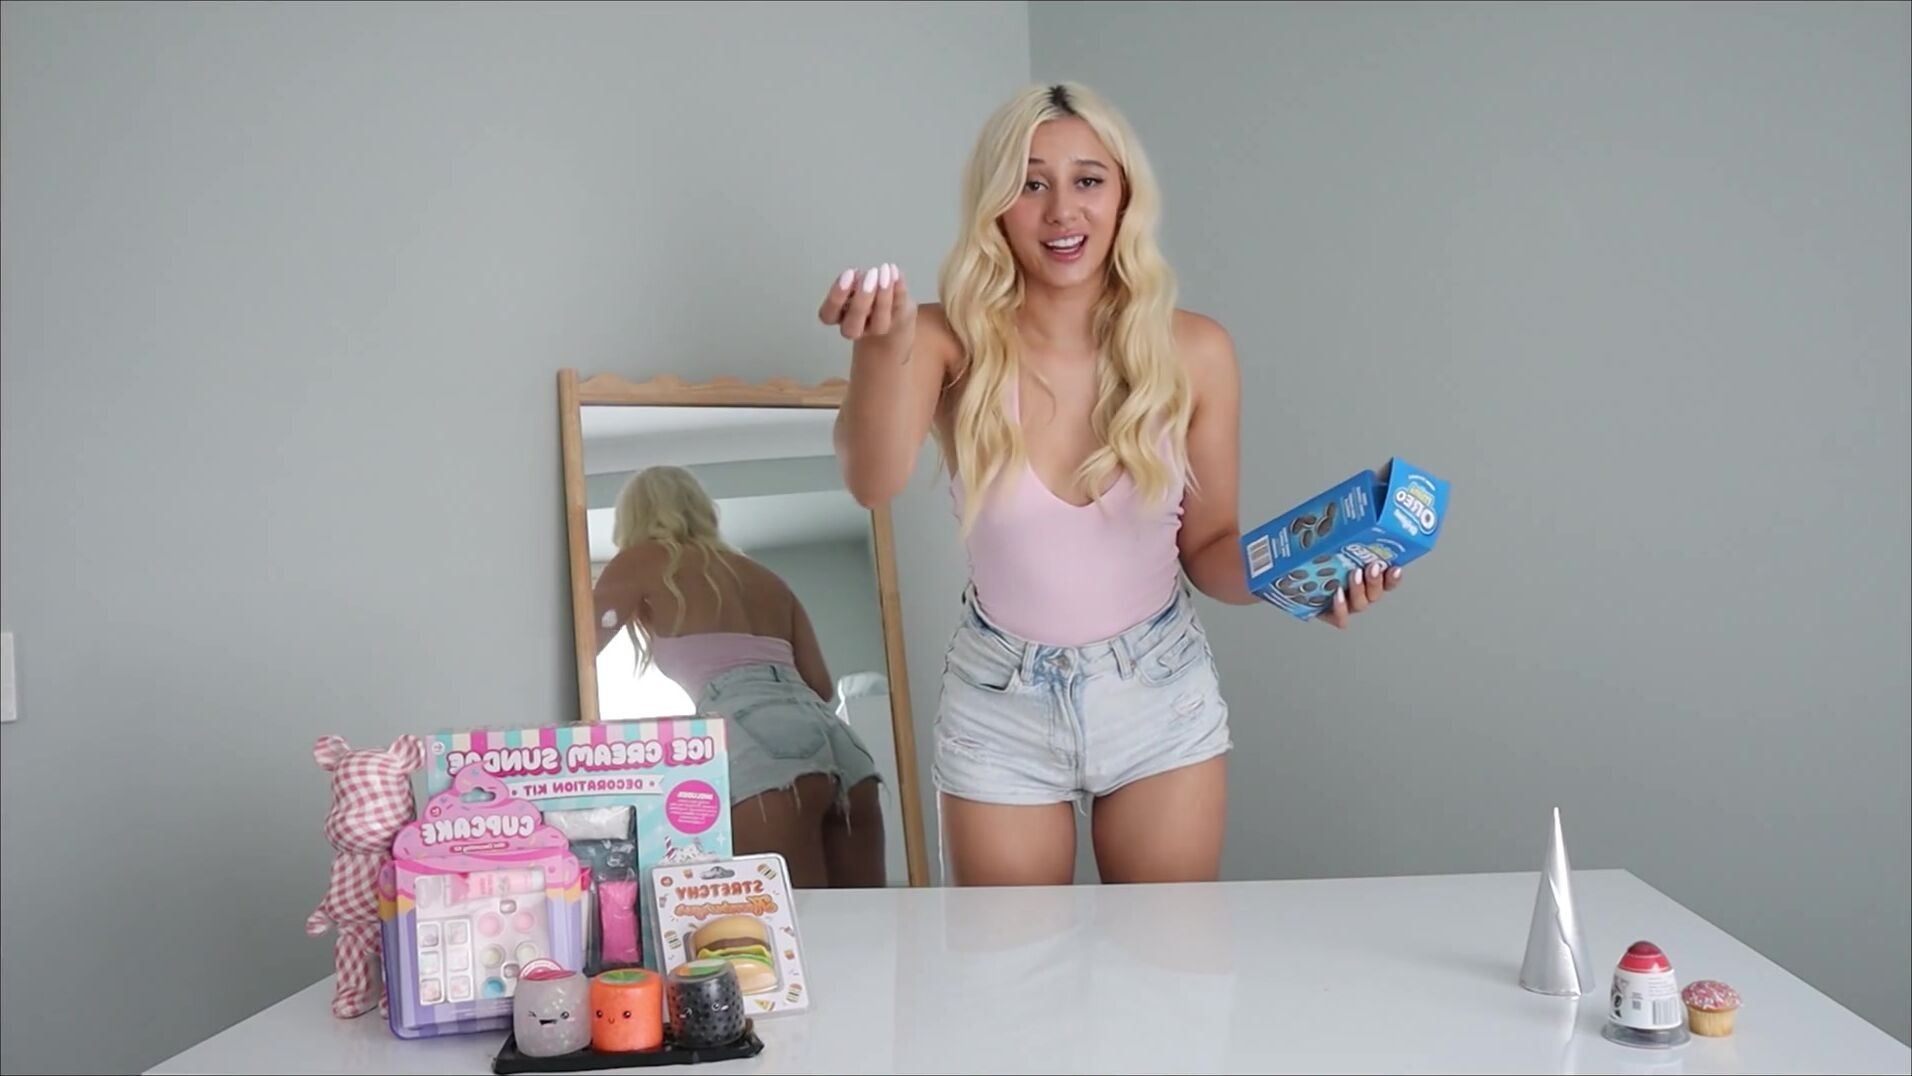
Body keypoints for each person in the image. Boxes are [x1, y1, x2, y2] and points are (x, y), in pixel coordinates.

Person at [817, 82, 1404, 887]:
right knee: (1011, 965)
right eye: (1031, 183)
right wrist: (879, 349)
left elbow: (1209, 546)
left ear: (1124, 194)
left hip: (1159, 689)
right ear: (996, 206)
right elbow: (870, 480)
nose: (1063, 210)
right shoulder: (944, 339)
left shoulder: (1195, 351)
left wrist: (1304, 576)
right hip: (1000, 701)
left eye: (1088, 180)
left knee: (1169, 961)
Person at [591, 464, 886, 889]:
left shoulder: (643, 561)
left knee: (788, 919)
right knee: (865, 918)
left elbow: (580, 648)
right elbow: (820, 686)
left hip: (760, 744)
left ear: (633, 517)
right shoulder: (765, 578)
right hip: (838, 743)